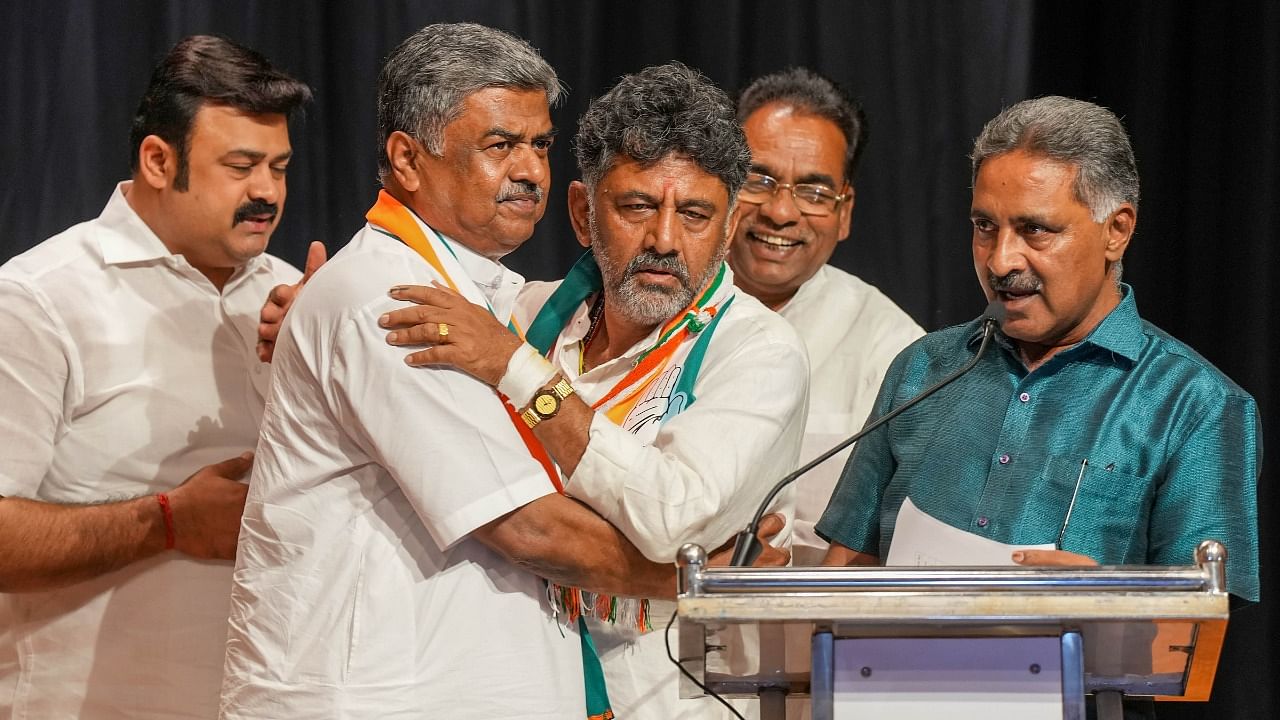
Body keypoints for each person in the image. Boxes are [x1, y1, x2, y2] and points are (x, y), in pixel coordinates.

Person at [222, 28, 795, 720]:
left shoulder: (496, 313)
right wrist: (702, 580)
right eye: (501, 146)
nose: (530, 172)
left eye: (540, 145)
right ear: (407, 158)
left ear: (728, 226)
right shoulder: (404, 305)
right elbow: (532, 531)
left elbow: (668, 512)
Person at [378, 62, 809, 719]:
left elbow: (670, 519)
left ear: (728, 228)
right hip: (507, 691)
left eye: (694, 214)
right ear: (583, 211)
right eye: (636, 206)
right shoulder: (523, 315)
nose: (664, 239)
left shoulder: (758, 353)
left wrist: (521, 374)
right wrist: (300, 307)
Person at [818, 96, 1260, 589]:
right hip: (897, 667)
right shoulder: (923, 369)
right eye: (985, 226)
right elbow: (844, 575)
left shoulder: (1197, 405)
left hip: (1082, 667)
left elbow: (1197, 632)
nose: (1001, 260)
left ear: (1117, 231)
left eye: (1035, 230)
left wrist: (1113, 600)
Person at [0, 36, 311, 718]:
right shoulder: (38, 299)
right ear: (158, 161)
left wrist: (332, 363)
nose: (267, 191)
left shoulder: (300, 300)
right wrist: (164, 523)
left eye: (280, 168)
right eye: (241, 166)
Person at [728, 68, 924, 564]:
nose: (780, 212)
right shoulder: (654, 303)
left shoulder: (895, 349)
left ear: (845, 211)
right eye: (759, 180)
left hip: (807, 632)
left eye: (814, 192)